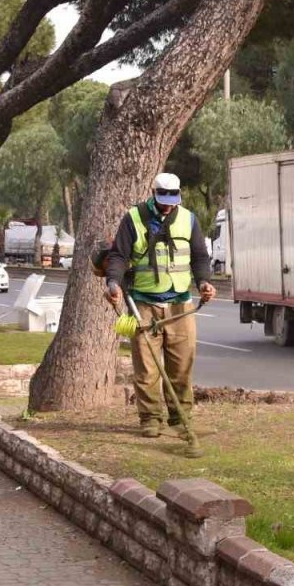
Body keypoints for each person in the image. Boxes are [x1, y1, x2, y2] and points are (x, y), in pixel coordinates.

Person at [105, 173, 216, 439]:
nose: (168, 206)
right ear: (153, 193)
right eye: (163, 199)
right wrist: (113, 284)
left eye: (172, 200)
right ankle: (150, 418)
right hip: (143, 303)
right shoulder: (133, 218)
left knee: (181, 366)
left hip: (180, 303)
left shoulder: (188, 219)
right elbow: (118, 256)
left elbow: (200, 257)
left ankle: (180, 418)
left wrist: (203, 283)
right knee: (146, 368)